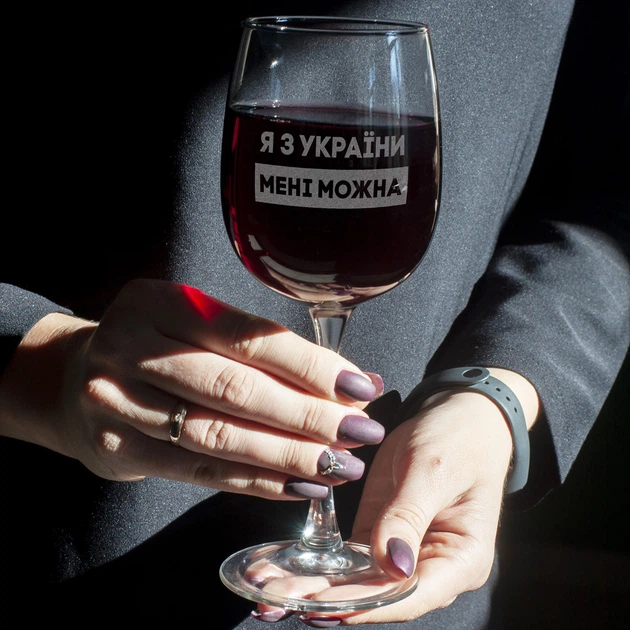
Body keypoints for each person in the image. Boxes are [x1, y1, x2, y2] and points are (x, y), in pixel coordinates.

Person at [1, 0, 628, 627]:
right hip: (78, 562)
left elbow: (601, 192)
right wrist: (41, 366)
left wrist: (499, 398)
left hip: (416, 586)